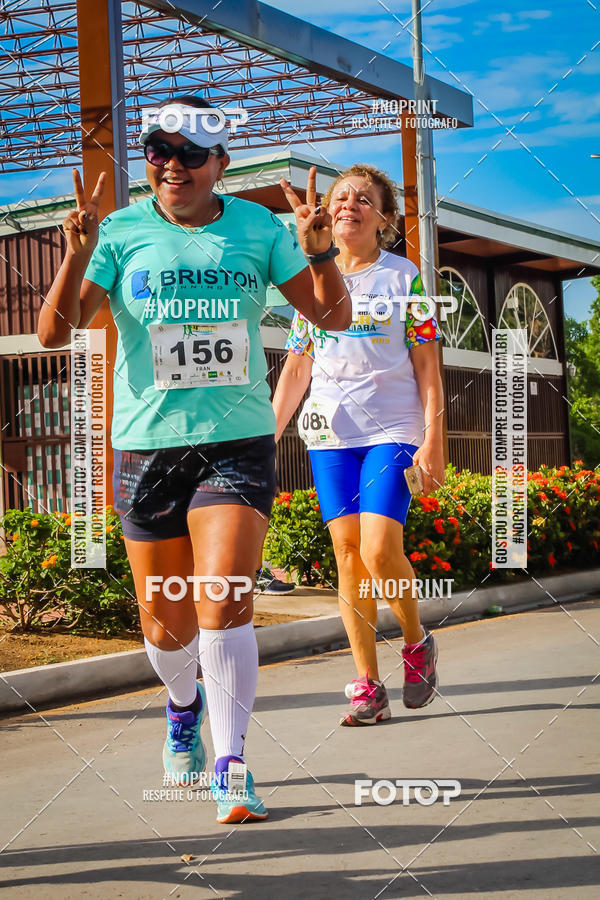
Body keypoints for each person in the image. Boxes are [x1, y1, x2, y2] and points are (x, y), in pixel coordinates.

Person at [38, 95, 350, 821]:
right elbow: (56, 333)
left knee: (224, 601)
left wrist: (318, 252)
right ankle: (182, 705)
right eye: (158, 151)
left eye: (189, 154)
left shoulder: (255, 228)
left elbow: (332, 316)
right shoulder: (118, 230)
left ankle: (232, 762)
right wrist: (77, 252)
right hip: (146, 446)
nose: (171, 165)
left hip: (234, 443)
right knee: (164, 624)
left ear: (220, 164)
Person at [272, 163, 445, 726]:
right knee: (347, 554)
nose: (347, 204)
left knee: (377, 550)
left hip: (392, 430)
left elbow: (427, 365)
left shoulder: (405, 277)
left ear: (385, 219)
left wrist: (434, 439)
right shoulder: (308, 278)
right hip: (328, 434)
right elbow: (297, 368)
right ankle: (368, 685)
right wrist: (264, 440)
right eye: (341, 196)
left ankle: (416, 641)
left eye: (363, 199)